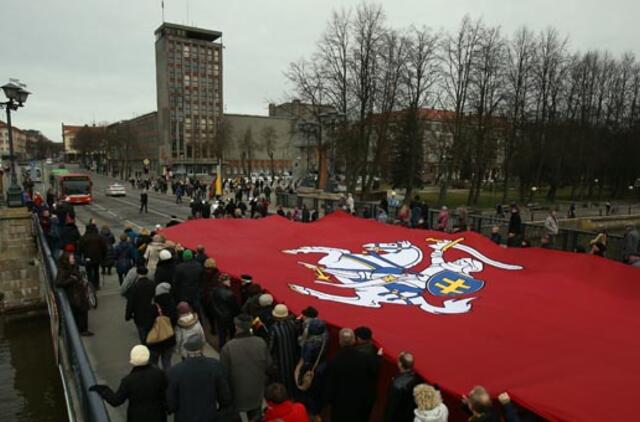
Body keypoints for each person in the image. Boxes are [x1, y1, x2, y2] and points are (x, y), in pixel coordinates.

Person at [90, 345, 167, 422]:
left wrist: (104, 390)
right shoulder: (159, 375)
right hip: (158, 417)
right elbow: (166, 394)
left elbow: (116, 401)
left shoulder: (128, 380)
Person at [166, 332, 233, 422]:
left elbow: (171, 403)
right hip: (209, 416)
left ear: (186, 350)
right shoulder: (215, 366)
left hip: (184, 418)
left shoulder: (175, 371)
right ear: (202, 348)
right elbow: (224, 396)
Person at [221, 314, 272, 421]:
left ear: (237, 327)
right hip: (256, 391)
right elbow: (269, 364)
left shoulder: (228, 347)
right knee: (255, 416)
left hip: (236, 393)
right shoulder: (260, 342)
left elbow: (224, 374)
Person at [326, 328, 381, 422]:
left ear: (340, 341)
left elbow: (331, 384)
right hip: (359, 401)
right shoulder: (364, 358)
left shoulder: (334, 360)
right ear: (353, 340)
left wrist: (331, 399)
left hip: (340, 402)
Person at [297, 319, 328, 421]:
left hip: (311, 369)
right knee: (319, 390)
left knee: (309, 391)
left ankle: (312, 412)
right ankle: (317, 410)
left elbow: (306, 360)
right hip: (322, 366)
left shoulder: (310, 344)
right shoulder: (326, 336)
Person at [56, 253, 93, 336]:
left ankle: (83, 329)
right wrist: (71, 280)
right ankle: (82, 330)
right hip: (75, 294)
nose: (73, 260)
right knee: (80, 311)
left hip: (78, 293)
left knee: (83, 311)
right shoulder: (64, 271)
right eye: (71, 258)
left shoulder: (72, 267)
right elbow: (58, 282)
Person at [269, 304, 300, 397]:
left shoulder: (273, 328)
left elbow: (270, 347)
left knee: (282, 379)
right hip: (292, 357)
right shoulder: (292, 324)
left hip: (280, 360)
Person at [384, 352, 422, 422]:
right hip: (409, 416)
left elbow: (392, 408)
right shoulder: (418, 378)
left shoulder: (397, 385)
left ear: (400, 364)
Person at [148, 282, 177, 371]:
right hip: (169, 338)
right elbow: (174, 320)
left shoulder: (154, 306)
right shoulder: (172, 304)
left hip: (155, 341)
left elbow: (148, 323)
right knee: (167, 362)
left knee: (153, 363)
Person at [126, 267, 156, 344]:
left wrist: (128, 315)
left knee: (142, 333)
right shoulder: (152, 284)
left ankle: (145, 346)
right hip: (151, 312)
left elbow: (131, 302)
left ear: (138, 274)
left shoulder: (135, 287)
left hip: (139, 314)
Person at [211, 274, 240, 348]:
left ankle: (222, 348)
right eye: (228, 280)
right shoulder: (229, 294)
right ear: (223, 282)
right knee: (232, 333)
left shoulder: (215, 290)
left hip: (219, 315)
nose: (229, 281)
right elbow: (234, 307)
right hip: (229, 316)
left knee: (222, 334)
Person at [173, 249, 204, 317]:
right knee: (197, 309)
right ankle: (199, 322)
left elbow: (176, 281)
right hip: (195, 291)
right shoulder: (198, 265)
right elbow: (201, 279)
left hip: (184, 292)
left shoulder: (179, 267)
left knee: (184, 310)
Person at [79, 223, 107, 290]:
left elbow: (80, 248)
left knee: (89, 272)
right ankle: (96, 285)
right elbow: (104, 247)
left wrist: (82, 255)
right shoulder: (98, 237)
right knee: (96, 271)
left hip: (87, 257)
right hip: (97, 257)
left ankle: (90, 285)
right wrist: (103, 256)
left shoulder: (84, 237)